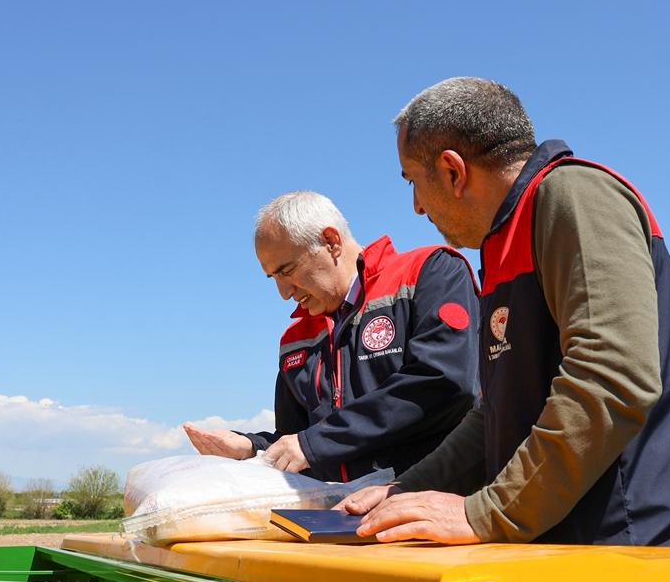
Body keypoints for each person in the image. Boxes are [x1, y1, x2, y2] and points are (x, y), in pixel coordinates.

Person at [341, 77, 670, 547]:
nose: (417, 206)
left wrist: (490, 512)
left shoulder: (575, 195)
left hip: (632, 553)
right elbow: (494, 416)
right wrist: (404, 491)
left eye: (412, 182)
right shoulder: (504, 242)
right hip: (558, 551)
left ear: (453, 171)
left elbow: (611, 376)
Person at [183, 190, 480, 482]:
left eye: (287, 270)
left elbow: (445, 382)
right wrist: (251, 447)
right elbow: (298, 439)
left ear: (331, 242)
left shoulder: (430, 272)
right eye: (273, 277)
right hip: (337, 508)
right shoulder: (294, 340)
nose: (284, 293)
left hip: (433, 499)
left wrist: (315, 443)